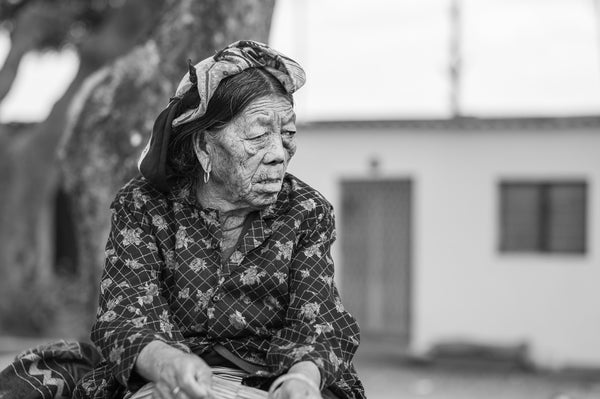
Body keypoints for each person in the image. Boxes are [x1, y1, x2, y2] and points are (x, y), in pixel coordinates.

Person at [73, 40, 365, 399]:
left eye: (288, 134)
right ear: (204, 147)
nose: (278, 154)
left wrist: (302, 380)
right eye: (258, 135)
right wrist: (168, 365)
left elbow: (319, 318)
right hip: (169, 380)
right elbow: (124, 315)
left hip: (269, 379)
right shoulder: (145, 206)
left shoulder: (306, 210)